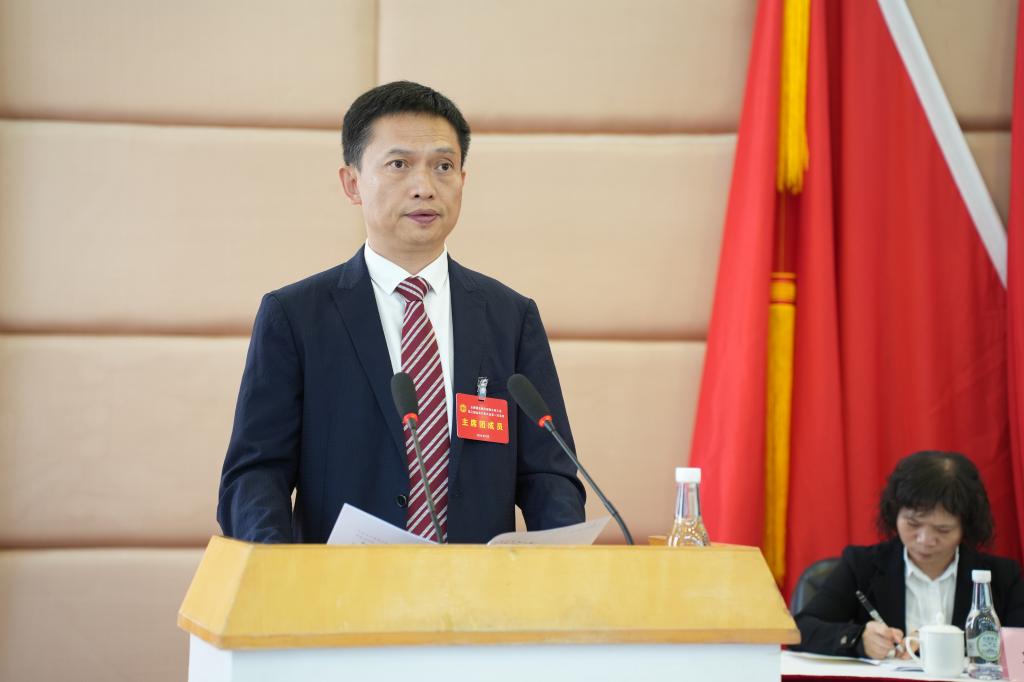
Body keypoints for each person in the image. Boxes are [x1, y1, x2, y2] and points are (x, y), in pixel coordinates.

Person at [217, 81, 586, 544]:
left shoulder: (510, 318)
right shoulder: (295, 317)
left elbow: (549, 475)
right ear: (352, 183)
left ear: (463, 181)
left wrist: (568, 564)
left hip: (479, 586)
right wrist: (276, 566)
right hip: (340, 585)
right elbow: (255, 474)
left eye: (443, 166)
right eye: (399, 165)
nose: (424, 188)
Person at [794, 450, 1024, 659]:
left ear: (966, 526)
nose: (925, 540)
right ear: (894, 514)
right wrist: (858, 639)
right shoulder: (861, 566)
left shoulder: (1002, 577)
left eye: (943, 529)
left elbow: (1019, 650)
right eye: (913, 524)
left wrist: (942, 646)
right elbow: (801, 630)